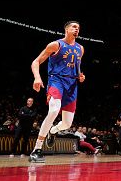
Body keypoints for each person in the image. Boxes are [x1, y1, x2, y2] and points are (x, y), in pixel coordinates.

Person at [29, 21, 85, 163]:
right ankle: (37, 149)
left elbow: (76, 67)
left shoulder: (80, 48)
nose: (76, 29)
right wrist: (37, 77)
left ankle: (53, 131)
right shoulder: (56, 45)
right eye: (74, 27)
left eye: (78, 28)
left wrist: (80, 75)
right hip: (56, 80)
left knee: (66, 124)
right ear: (66, 29)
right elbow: (35, 62)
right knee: (54, 110)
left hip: (72, 85)